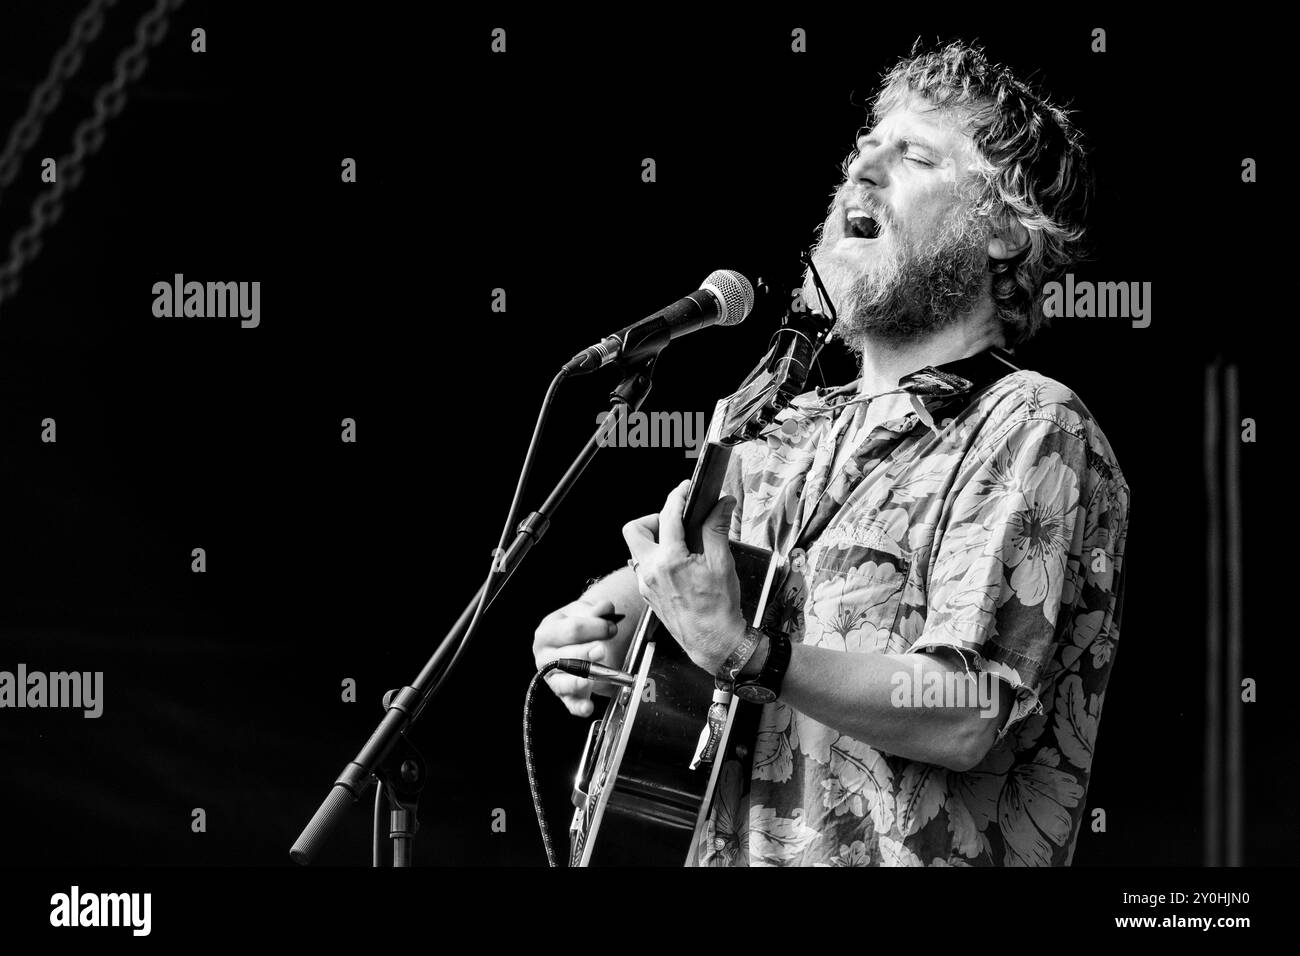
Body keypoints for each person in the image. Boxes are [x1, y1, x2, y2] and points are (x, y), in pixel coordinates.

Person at [533, 40, 1129, 867]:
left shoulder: (1030, 424)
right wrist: (592, 627)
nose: (863, 171)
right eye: (863, 151)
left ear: (1000, 231)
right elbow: (679, 583)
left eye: (913, 154)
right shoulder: (789, 430)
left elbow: (966, 709)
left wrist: (747, 654)